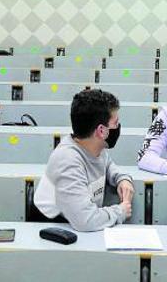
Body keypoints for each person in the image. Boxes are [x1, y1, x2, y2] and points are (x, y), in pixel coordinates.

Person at [34, 89, 134, 232]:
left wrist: (122, 179)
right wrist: (120, 211)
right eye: (115, 123)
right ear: (101, 131)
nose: (118, 127)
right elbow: (85, 220)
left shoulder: (95, 147)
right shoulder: (67, 161)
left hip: (81, 225)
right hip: (57, 228)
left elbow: (108, 165)